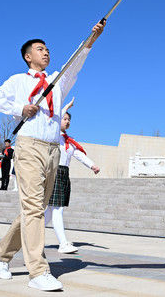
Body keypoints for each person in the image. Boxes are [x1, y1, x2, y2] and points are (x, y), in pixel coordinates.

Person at [0, 21, 104, 292]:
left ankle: (0, 256)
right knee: (34, 209)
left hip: (53, 150)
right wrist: (20, 108)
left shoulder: (56, 81)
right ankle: (38, 271)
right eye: (40, 49)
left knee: (35, 209)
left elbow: (75, 64)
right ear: (28, 56)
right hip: (29, 146)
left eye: (47, 49)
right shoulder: (18, 81)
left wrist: (91, 39)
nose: (46, 52)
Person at [45, 98, 100, 254]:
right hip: (54, 172)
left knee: (50, 212)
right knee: (57, 209)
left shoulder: (69, 142)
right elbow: (55, 118)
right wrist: (67, 106)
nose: (67, 121)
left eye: (69, 119)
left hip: (63, 174)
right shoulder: (54, 135)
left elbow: (79, 155)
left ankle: (28, 236)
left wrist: (92, 165)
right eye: (65, 118)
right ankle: (63, 243)